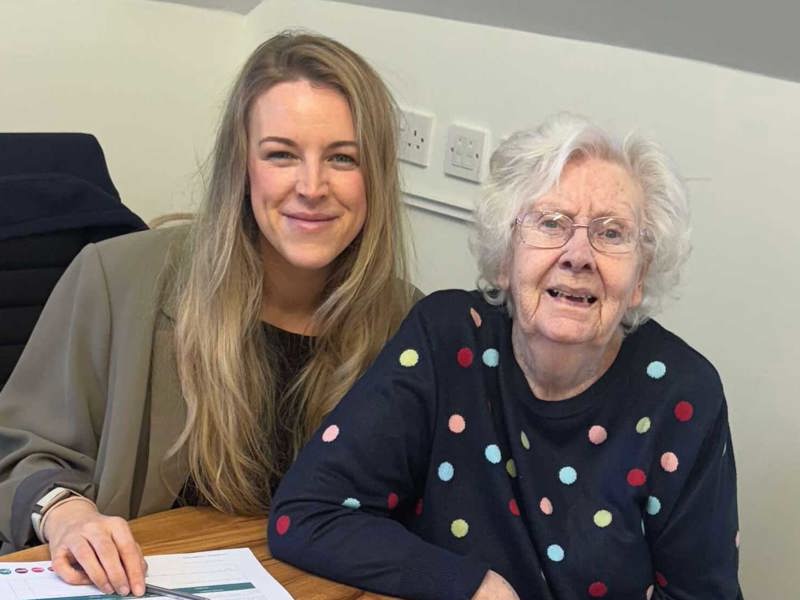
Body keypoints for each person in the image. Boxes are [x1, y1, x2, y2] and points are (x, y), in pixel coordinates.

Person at [0, 31, 417, 597]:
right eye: (281, 155)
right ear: (241, 167)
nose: (312, 187)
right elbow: (15, 446)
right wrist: (66, 514)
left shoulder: (407, 321)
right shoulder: (118, 278)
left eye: (343, 158)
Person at [269, 113, 743, 599]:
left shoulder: (682, 396)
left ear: (639, 278)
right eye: (551, 222)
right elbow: (308, 512)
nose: (578, 255)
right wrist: (473, 586)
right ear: (504, 258)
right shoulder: (448, 339)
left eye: (612, 233)